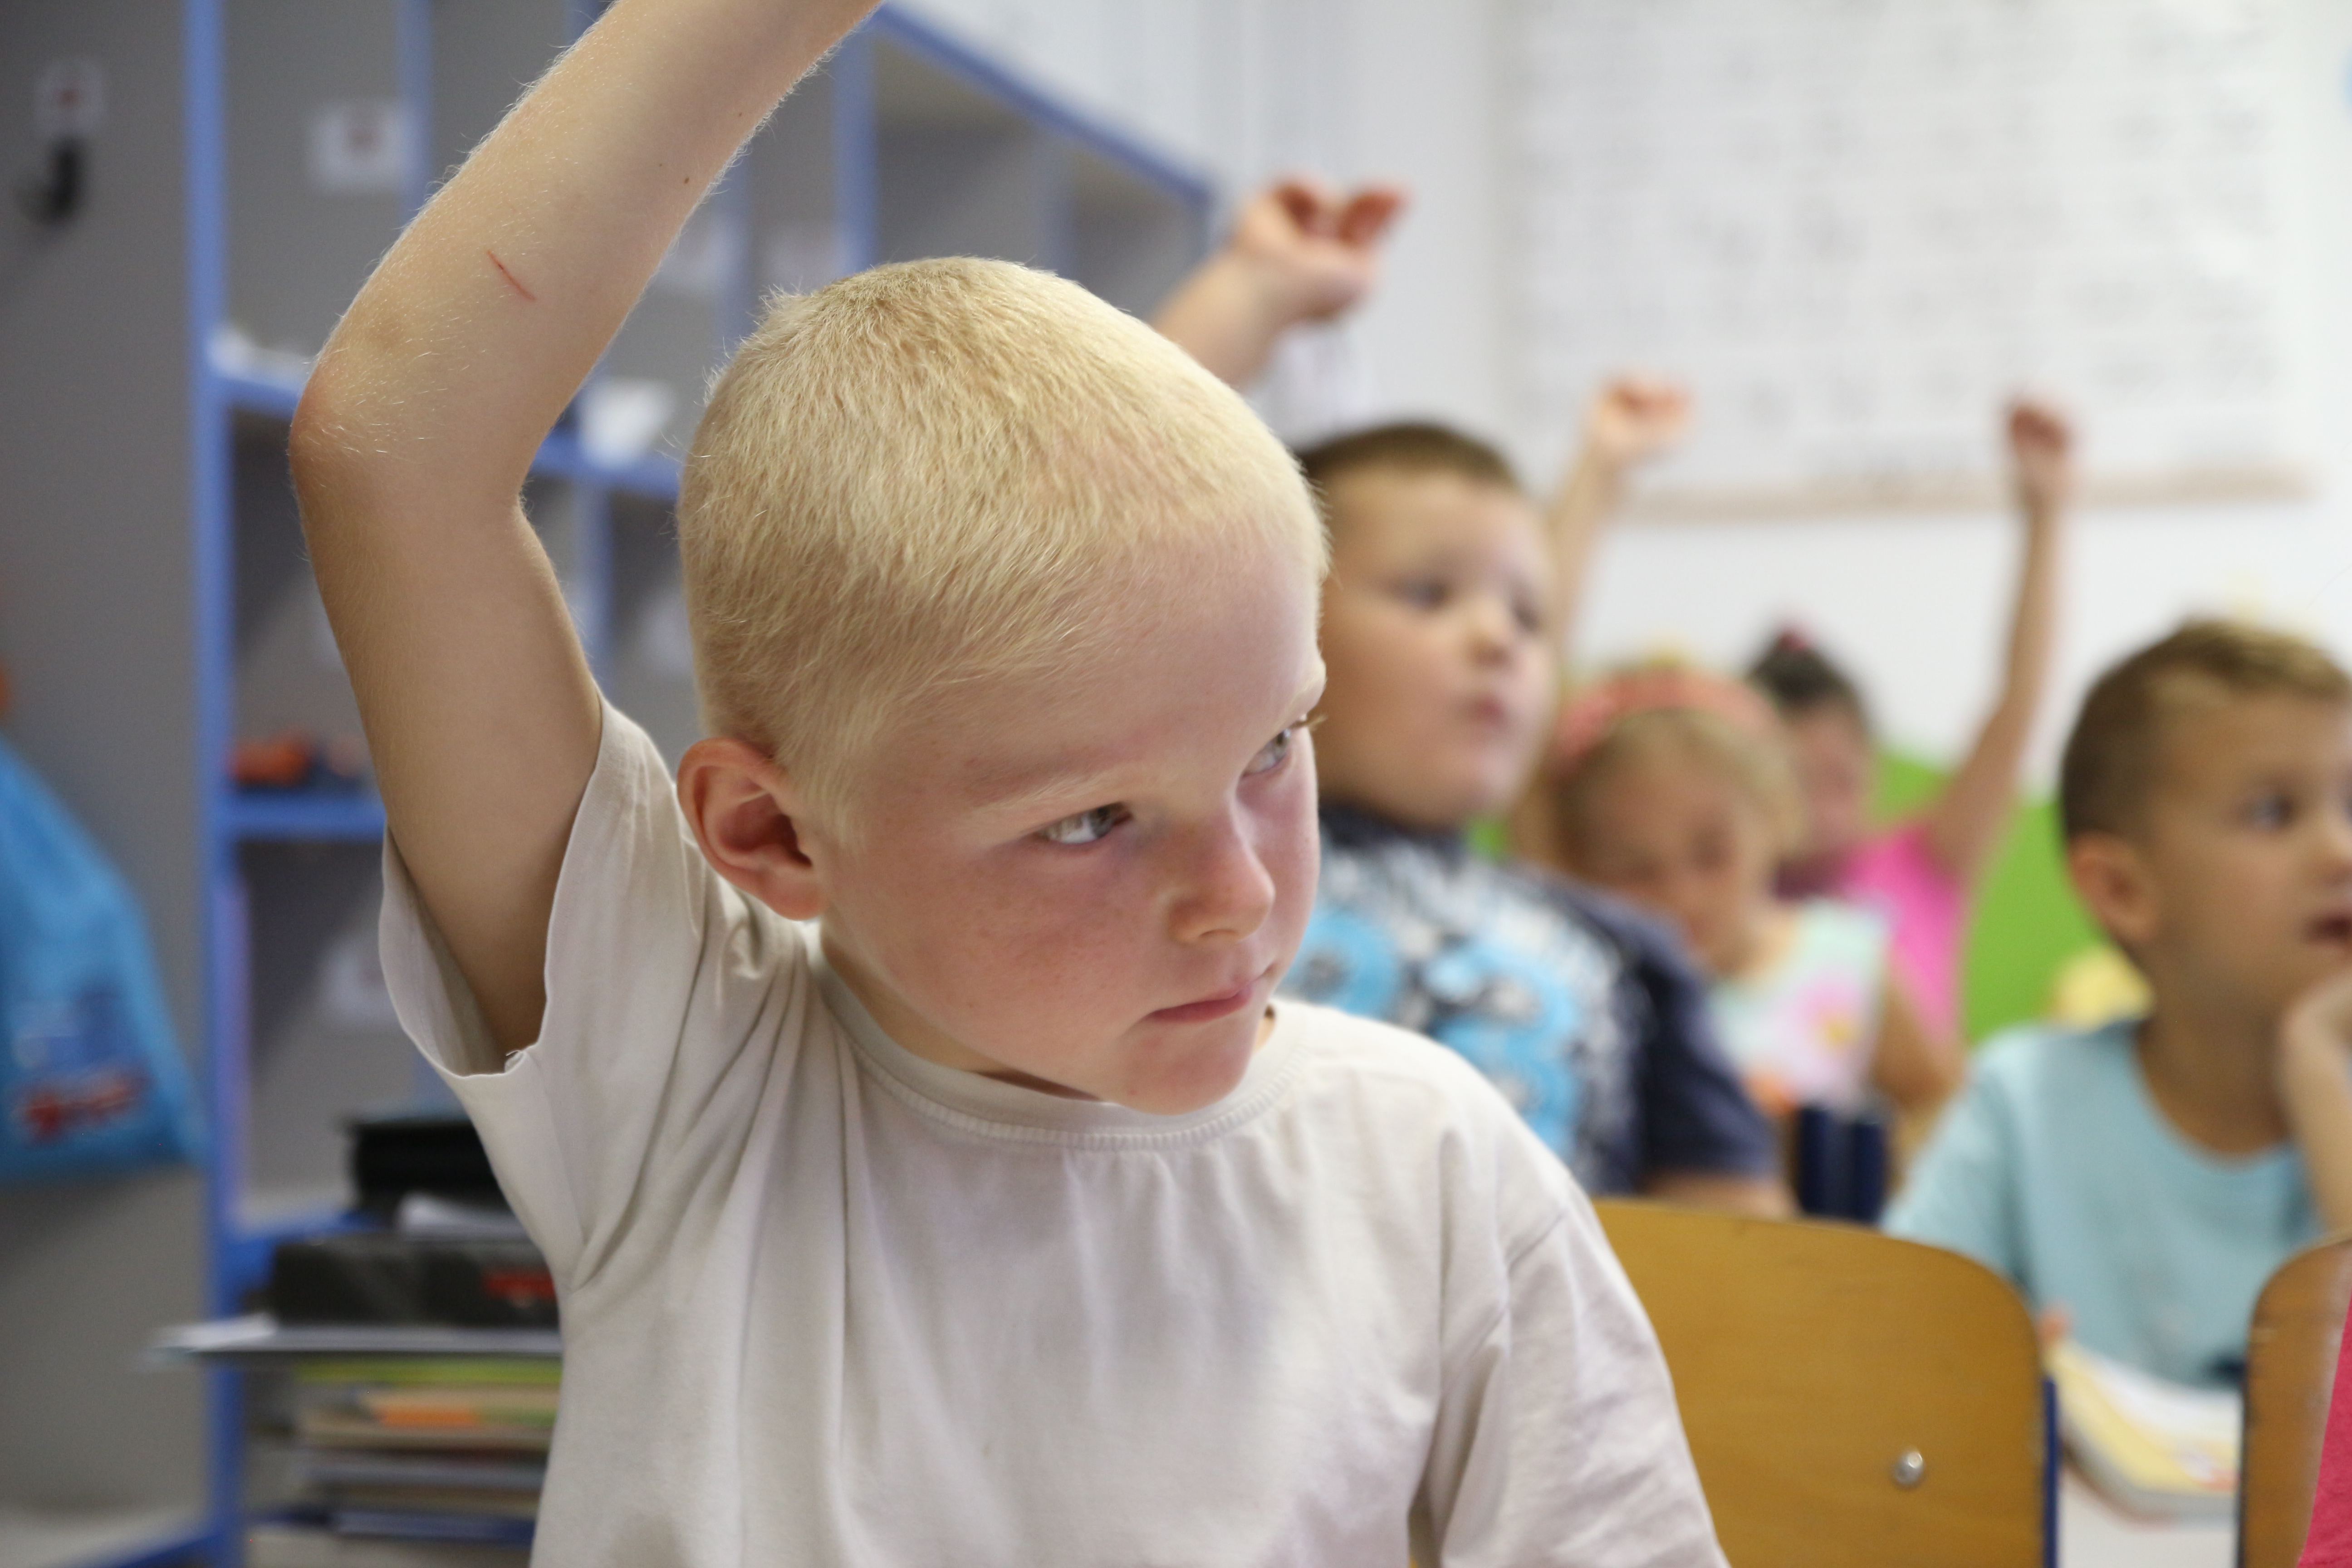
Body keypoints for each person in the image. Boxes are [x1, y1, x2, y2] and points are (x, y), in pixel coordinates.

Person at [285, 7, 1729, 1563]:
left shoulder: (1430, 1160)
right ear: (771, 834)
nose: (1239, 895)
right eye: (1092, 821)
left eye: (1271, 749)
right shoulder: (686, 1081)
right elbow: (394, 453)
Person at [1156, 186, 1783, 1214]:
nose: (1497, 640)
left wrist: (1599, 473)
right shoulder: (1181, 873)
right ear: (1274, 615)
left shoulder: (1618, 948)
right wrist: (1254, 292)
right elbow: (1093, 496)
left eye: (1528, 619)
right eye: (1426, 594)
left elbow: (1745, 1257)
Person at [1887, 622, 2352, 1388]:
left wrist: (2318, 1063)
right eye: (2272, 812)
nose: (2340, 851)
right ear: (2122, 890)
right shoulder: (2025, 1100)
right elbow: (1891, 1354)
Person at [1749, 401, 2074, 1040]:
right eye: (1797, 781)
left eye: (1843, 777)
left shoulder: (1923, 863)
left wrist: (2045, 510)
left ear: (1871, 765)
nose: (1824, 807)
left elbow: (2019, 705)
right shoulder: (1726, 898)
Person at [1541, 663, 1961, 1156]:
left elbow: (1946, 1105)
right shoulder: (1594, 990)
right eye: (1635, 868)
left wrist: (1863, 1157)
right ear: (1581, 865)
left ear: (1777, 816)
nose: (1682, 895)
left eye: (1712, 855)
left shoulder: (1850, 963)